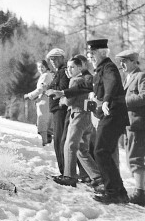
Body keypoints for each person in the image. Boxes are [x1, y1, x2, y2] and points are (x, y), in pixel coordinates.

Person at [87, 39, 130, 204]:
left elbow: (111, 83)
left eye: (91, 54)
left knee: (100, 151)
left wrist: (106, 100)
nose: (90, 57)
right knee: (103, 152)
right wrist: (95, 100)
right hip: (108, 115)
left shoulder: (108, 67)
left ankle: (113, 192)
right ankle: (119, 192)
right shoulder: (100, 69)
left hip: (114, 114)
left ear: (99, 53)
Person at [52, 57, 101, 187]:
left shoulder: (74, 80)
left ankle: (69, 176)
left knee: (69, 145)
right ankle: (97, 176)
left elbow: (69, 101)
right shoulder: (86, 79)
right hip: (87, 117)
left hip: (77, 115)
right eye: (68, 67)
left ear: (80, 68)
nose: (69, 69)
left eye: (72, 67)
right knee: (81, 149)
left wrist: (62, 100)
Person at [116, 49, 145, 206]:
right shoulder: (128, 78)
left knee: (135, 159)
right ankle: (140, 190)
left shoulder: (141, 76)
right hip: (128, 124)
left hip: (137, 124)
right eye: (121, 62)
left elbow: (144, 96)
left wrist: (124, 101)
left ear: (134, 62)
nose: (122, 65)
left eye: (125, 61)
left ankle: (140, 192)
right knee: (130, 158)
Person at [45, 48, 70, 176]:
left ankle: (65, 172)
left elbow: (63, 89)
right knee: (58, 140)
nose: (52, 61)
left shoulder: (63, 72)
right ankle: (64, 171)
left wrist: (50, 89)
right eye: (51, 59)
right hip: (57, 110)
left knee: (60, 141)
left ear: (61, 58)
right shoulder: (58, 72)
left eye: (55, 58)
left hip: (61, 110)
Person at [24, 60, 53, 146]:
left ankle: (44, 142)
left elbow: (40, 89)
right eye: (39, 67)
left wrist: (29, 95)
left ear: (46, 66)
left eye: (42, 67)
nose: (40, 69)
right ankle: (46, 141)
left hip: (44, 101)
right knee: (45, 122)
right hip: (45, 100)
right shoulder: (48, 75)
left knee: (42, 122)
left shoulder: (45, 76)